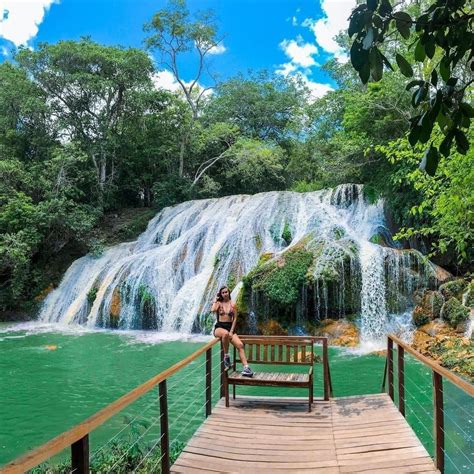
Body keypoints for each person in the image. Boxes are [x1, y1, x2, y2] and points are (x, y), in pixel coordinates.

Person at [211, 286, 254, 377]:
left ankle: (246, 368)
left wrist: (231, 331)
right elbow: (213, 310)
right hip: (219, 327)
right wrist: (215, 300)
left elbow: (235, 319)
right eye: (223, 292)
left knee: (240, 345)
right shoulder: (219, 303)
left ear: (229, 293)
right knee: (225, 334)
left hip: (230, 328)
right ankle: (226, 357)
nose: (225, 294)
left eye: (226, 292)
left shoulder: (233, 304)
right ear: (221, 294)